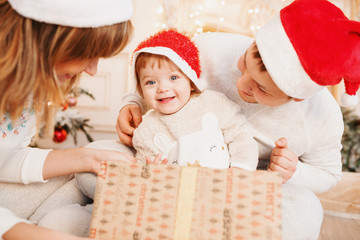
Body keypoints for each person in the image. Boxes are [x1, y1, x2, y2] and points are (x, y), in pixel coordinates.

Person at [117, 0, 360, 239]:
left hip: (251, 181)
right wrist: (132, 103)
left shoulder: (322, 116)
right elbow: (153, 70)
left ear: (295, 98)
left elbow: (330, 175)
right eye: (246, 62)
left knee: (306, 209)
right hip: (175, 164)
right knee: (100, 162)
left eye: (261, 89)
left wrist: (294, 171)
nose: (241, 84)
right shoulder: (210, 48)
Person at [0, 0, 134, 239]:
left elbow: (5, 156)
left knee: (93, 166)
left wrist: (84, 157)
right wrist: (21, 232)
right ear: (48, 37)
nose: (92, 70)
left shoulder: (30, 86)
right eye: (88, 54)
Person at [131, 29, 258, 170]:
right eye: (150, 82)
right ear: (141, 90)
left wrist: (240, 170)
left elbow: (241, 136)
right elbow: (142, 167)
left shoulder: (213, 104)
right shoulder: (146, 131)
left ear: (191, 82)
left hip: (223, 184)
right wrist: (149, 171)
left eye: (173, 78)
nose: (162, 88)